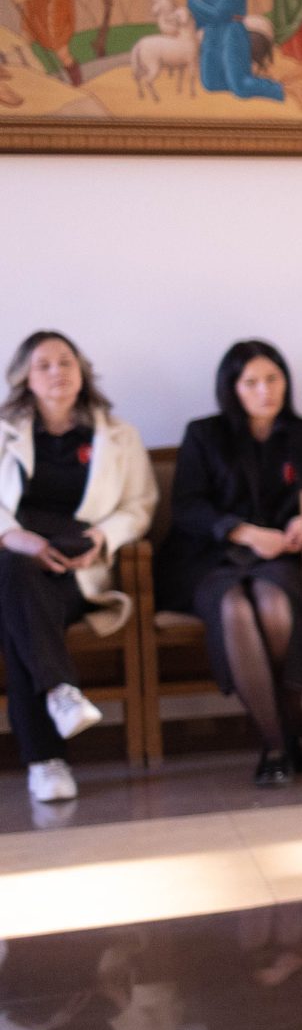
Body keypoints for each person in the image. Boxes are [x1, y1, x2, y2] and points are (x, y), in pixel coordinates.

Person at [161, 340, 302, 787]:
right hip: (212, 558)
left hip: (281, 558)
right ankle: (279, 741)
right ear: (232, 388)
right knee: (234, 607)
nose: (264, 390)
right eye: (251, 382)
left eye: (273, 379)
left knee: (275, 604)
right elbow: (188, 507)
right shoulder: (204, 434)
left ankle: (285, 734)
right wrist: (242, 531)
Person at [0, 332, 156, 803]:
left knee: (18, 614)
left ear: (82, 372)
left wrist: (102, 537)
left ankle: (46, 760)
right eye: (43, 365)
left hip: (77, 570)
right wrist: (14, 536)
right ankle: (59, 695)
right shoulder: (4, 432)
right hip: (14, 559)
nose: (57, 372)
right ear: (25, 378)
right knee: (16, 577)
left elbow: (139, 506)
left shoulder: (119, 436)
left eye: (65, 362)